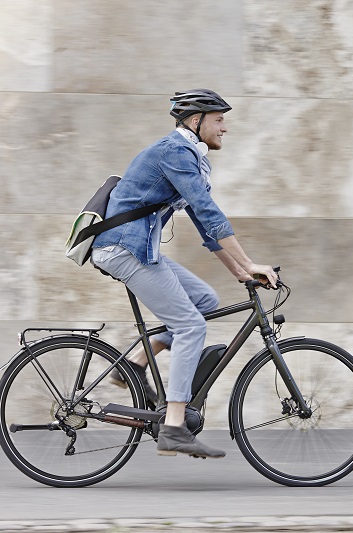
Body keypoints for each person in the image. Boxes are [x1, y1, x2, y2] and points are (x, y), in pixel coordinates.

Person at [91, 89, 278, 459]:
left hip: (136, 248)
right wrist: (251, 262)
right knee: (192, 326)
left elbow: (206, 229)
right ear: (196, 121)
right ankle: (174, 427)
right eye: (219, 119)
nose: (225, 127)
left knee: (205, 300)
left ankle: (135, 363)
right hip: (124, 248)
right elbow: (209, 212)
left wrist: (241, 272)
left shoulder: (187, 156)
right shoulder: (175, 152)